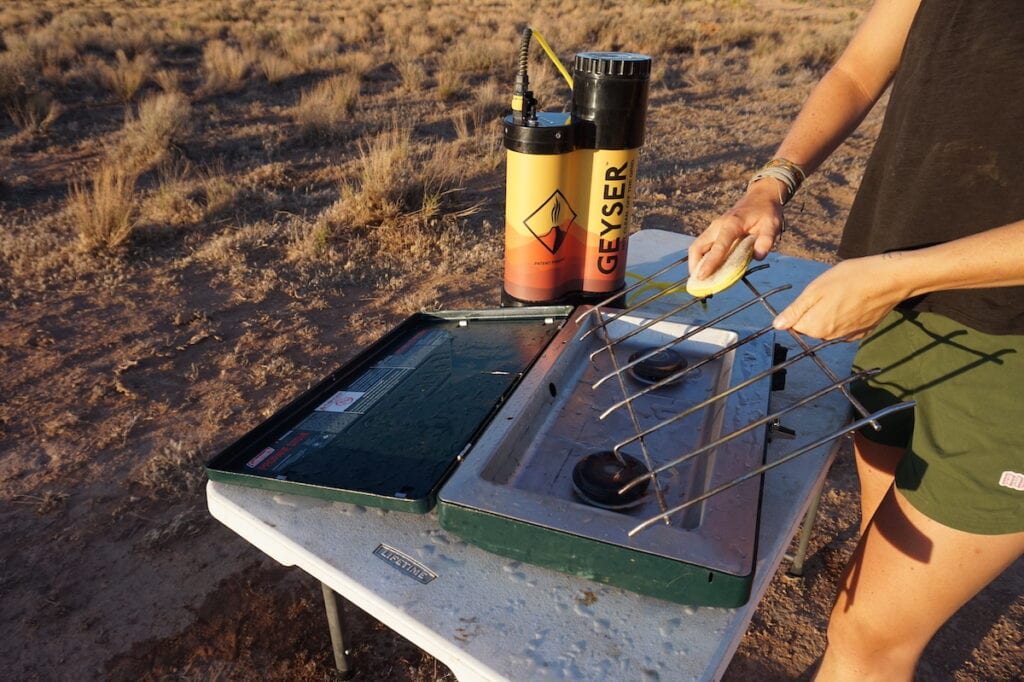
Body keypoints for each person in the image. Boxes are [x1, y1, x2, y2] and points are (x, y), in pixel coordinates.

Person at [687, 1, 1024, 679]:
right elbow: (859, 70)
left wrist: (897, 275)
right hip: (897, 304)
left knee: (868, 635)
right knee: (877, 552)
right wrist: (771, 183)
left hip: (1007, 359)